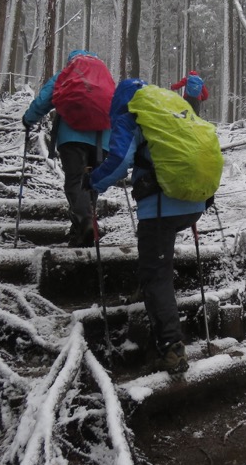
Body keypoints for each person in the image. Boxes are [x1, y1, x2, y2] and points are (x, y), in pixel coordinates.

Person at [88, 78, 206, 374]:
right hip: (193, 201)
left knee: (158, 274)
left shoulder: (134, 115)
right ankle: (147, 293)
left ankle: (171, 348)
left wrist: (93, 183)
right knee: (156, 262)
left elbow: (119, 160)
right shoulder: (170, 111)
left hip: (161, 207)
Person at [22, 50, 112, 247]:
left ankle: (86, 222)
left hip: (72, 137)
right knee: (91, 183)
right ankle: (80, 231)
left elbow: (44, 100)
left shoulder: (66, 74)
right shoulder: (104, 79)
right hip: (102, 139)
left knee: (75, 181)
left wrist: (28, 120)